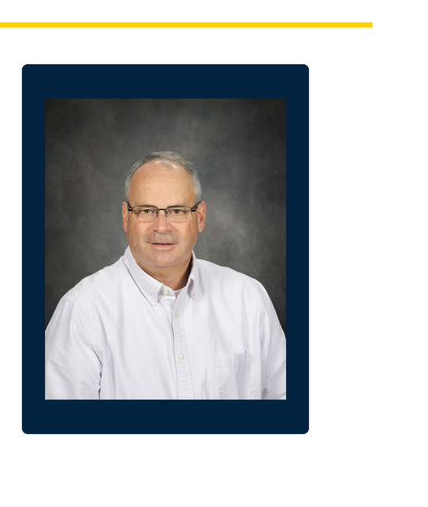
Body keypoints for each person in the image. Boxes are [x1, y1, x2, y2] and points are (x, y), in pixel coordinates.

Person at [45, 152, 286, 400]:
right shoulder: (83, 311)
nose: (161, 226)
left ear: (200, 217)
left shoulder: (248, 298)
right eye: (147, 210)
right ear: (126, 217)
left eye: (178, 210)